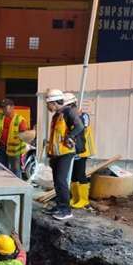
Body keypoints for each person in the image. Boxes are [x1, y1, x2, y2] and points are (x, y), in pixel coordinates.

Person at [45, 89, 85, 221]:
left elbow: (79, 126)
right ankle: (59, 206)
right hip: (56, 154)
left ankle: (66, 210)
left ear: (54, 102)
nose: (47, 107)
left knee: (61, 181)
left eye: (48, 104)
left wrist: (70, 136)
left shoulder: (68, 112)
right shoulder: (57, 115)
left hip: (65, 153)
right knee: (57, 181)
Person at [65, 93, 95, 209]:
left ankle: (83, 200)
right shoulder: (69, 116)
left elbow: (82, 127)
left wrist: (78, 117)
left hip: (82, 150)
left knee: (80, 174)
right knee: (73, 174)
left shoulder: (83, 116)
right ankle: (75, 198)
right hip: (73, 149)